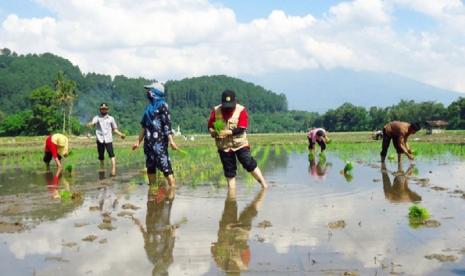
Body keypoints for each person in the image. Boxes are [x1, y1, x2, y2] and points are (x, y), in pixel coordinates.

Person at [208, 90, 267, 189]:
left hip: (240, 144)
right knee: (229, 171)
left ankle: (264, 185)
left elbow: (241, 128)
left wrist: (227, 132)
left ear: (235, 102)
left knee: (249, 163)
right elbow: (210, 126)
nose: (228, 108)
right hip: (224, 146)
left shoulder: (241, 110)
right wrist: (214, 132)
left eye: (230, 105)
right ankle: (231, 195)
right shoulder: (216, 110)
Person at [133, 82, 178, 187]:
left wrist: (171, 141)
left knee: (165, 166)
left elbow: (167, 126)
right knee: (150, 167)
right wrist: (138, 142)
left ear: (155, 92)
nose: (148, 92)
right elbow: (144, 126)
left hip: (159, 143)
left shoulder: (163, 105)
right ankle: (152, 189)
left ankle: (172, 189)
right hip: (148, 144)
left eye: (150, 90)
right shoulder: (149, 108)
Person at [211, 187, 266, 273]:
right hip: (241, 230)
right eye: (233, 267)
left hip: (226, 229)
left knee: (230, 204)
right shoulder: (243, 263)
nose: (231, 265)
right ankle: (262, 194)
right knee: (250, 212)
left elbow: (213, 247)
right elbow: (245, 247)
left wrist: (221, 245)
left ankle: (262, 192)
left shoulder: (220, 263)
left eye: (230, 267)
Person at [133, 186, 176, 275]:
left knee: (155, 200)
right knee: (166, 201)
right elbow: (171, 245)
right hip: (161, 225)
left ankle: (165, 184)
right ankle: (168, 184)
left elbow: (147, 240)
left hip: (153, 224)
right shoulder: (167, 260)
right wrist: (173, 233)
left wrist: (140, 226)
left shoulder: (152, 257)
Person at [86, 103, 126, 176]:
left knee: (111, 154)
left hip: (108, 139)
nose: (104, 110)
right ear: (100, 109)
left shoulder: (111, 118)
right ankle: (102, 168)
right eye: (102, 109)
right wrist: (90, 124)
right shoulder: (97, 117)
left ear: (107, 109)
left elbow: (114, 129)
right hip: (100, 139)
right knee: (101, 155)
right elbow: (93, 122)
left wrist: (121, 134)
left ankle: (113, 169)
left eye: (105, 109)